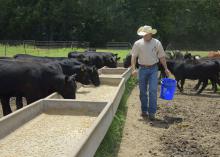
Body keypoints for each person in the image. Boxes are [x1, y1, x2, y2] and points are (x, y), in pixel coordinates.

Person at [131, 25, 170, 121]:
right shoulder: (137, 44)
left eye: (146, 34)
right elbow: (133, 57)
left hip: (153, 68)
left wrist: (166, 68)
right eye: (143, 34)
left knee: (153, 90)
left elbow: (161, 57)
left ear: (151, 33)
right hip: (142, 69)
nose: (145, 36)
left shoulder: (157, 43)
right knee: (143, 91)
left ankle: (152, 112)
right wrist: (133, 69)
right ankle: (144, 110)